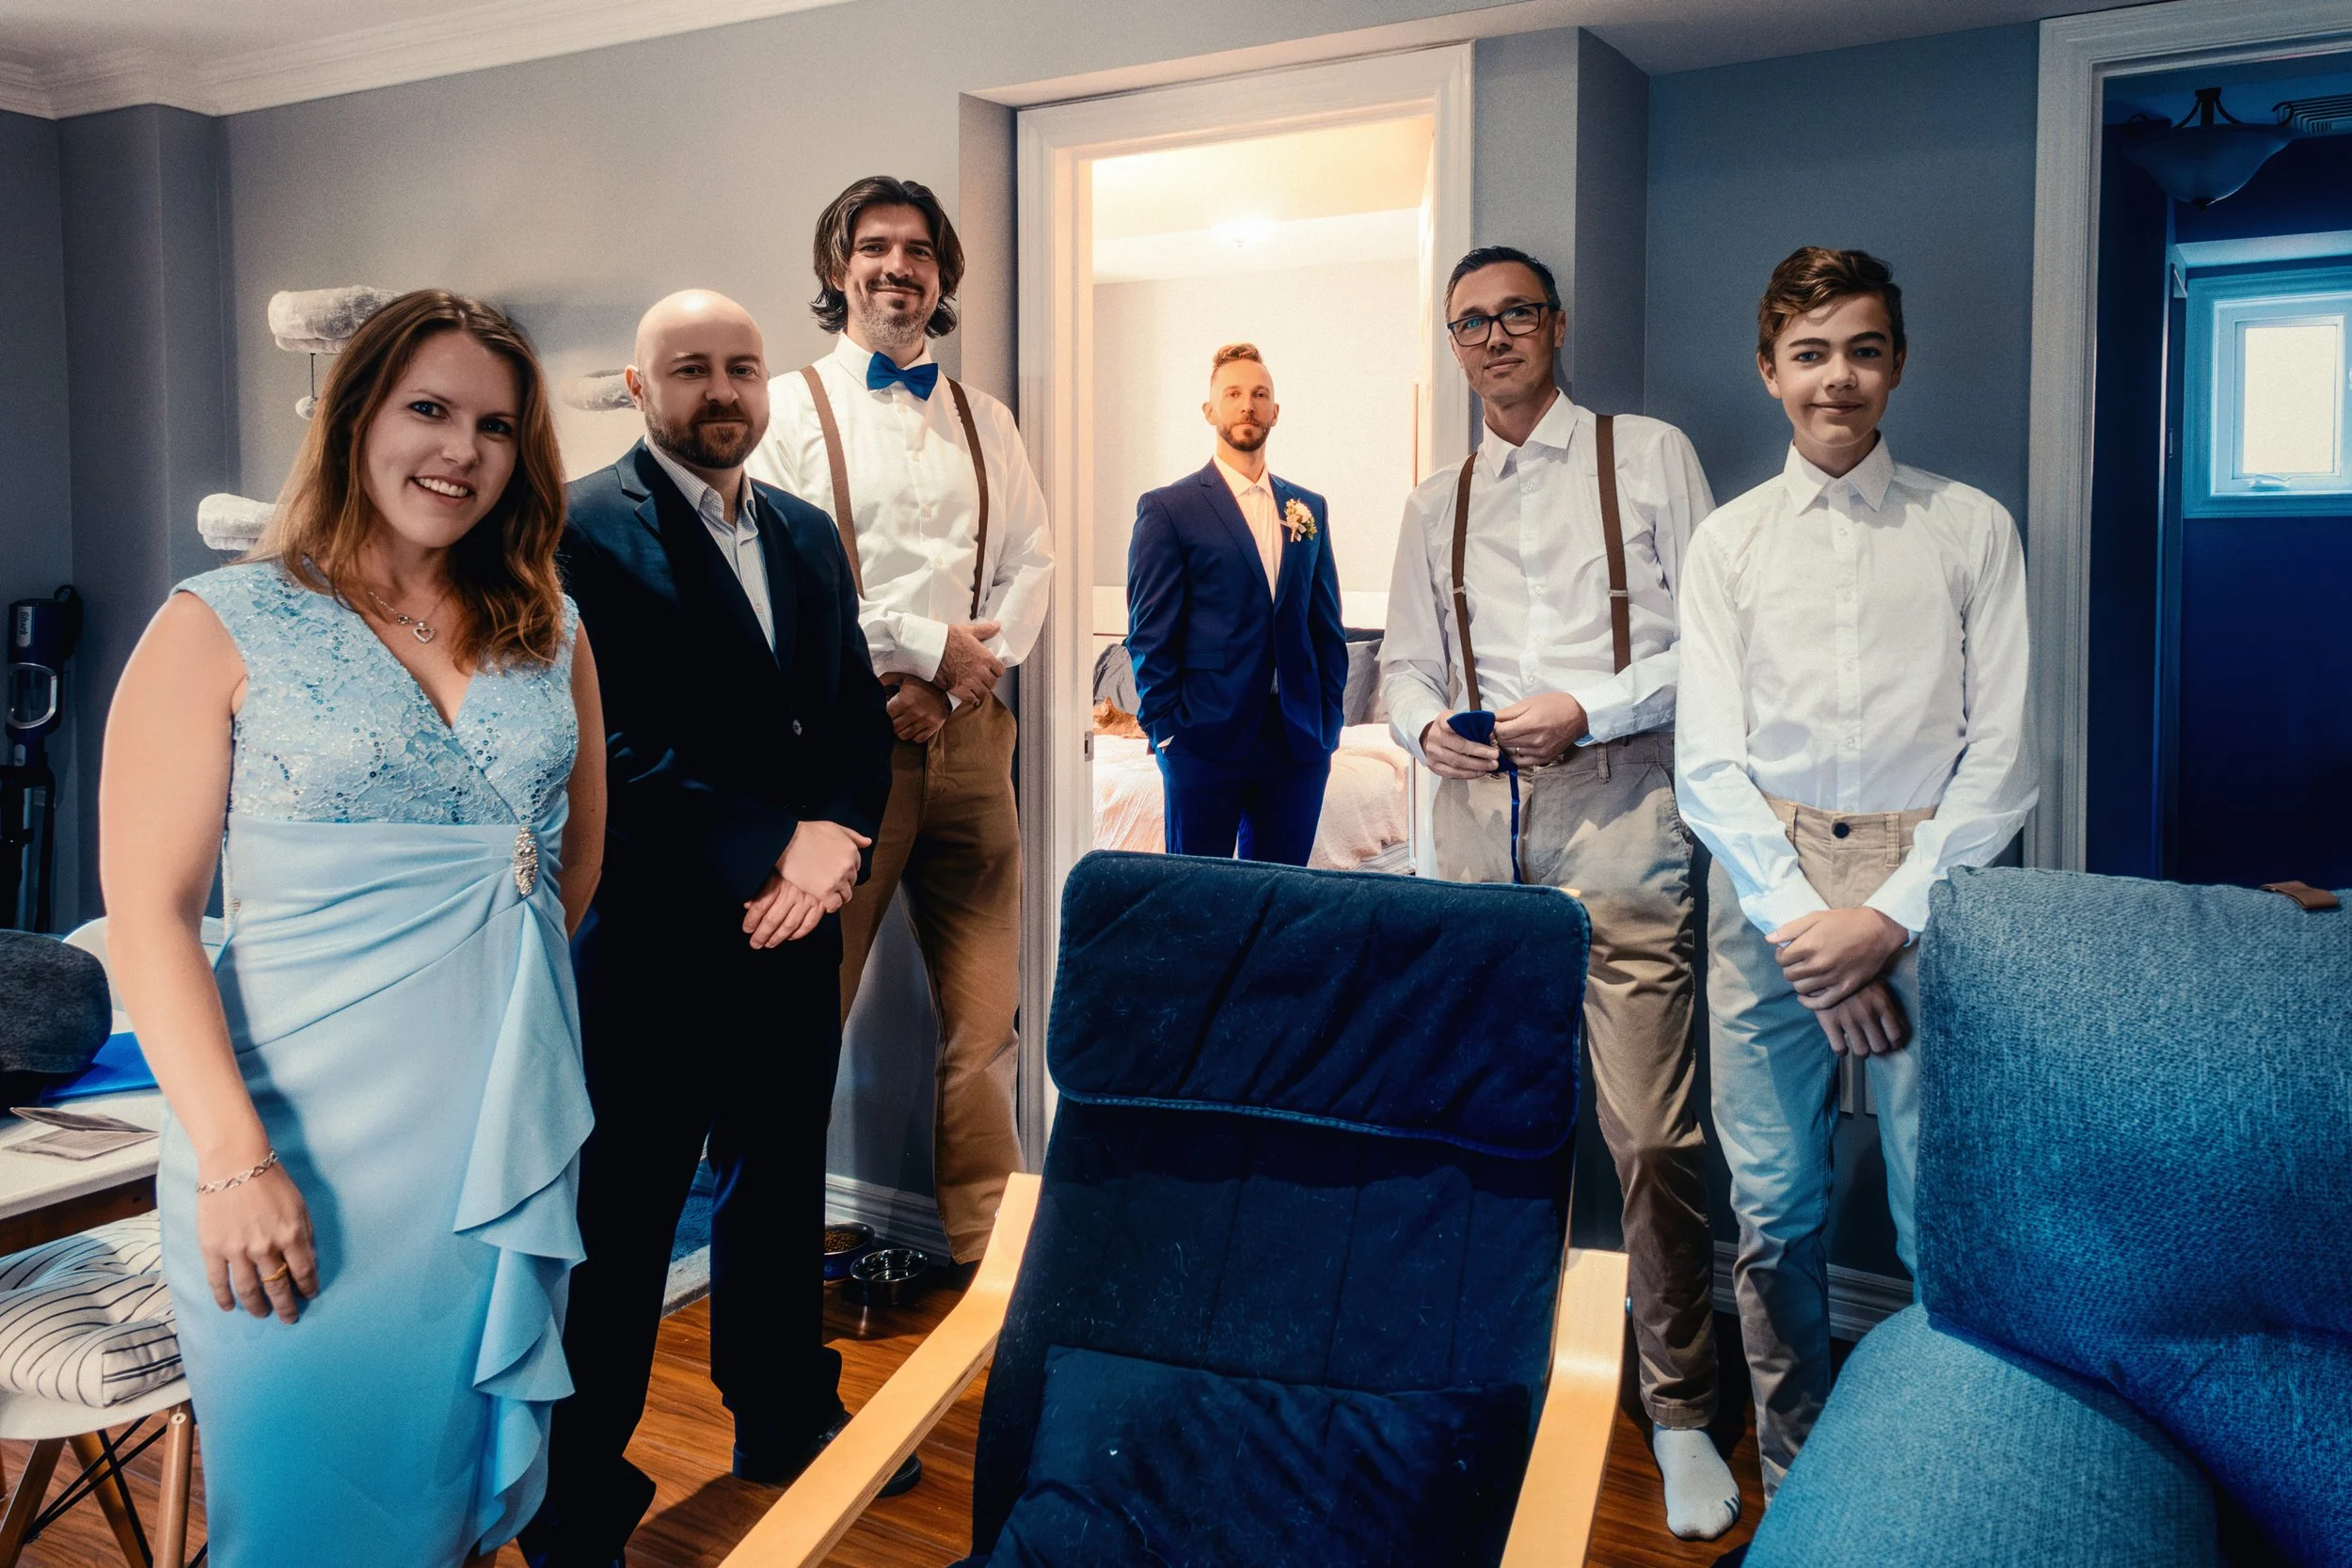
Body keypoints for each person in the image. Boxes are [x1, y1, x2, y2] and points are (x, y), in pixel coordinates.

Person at [101, 290, 600, 1567]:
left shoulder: (551, 623)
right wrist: (231, 1156)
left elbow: (571, 854)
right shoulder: (217, 619)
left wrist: (502, 1009)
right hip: (291, 1144)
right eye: (427, 408)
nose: (462, 449)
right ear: (352, 416)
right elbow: (151, 914)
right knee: (302, 1515)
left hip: (488, 1147)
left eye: (496, 424)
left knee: (446, 1506)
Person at [523, 290, 897, 1567]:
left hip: (798, 924)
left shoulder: (799, 526)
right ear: (640, 387)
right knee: (624, 1216)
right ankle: (574, 1495)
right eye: (691, 368)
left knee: (782, 1177)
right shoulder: (573, 528)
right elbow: (599, 741)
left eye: (742, 366)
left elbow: (849, 710)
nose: (722, 389)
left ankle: (782, 1413)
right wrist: (765, 846)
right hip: (653, 933)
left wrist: (838, 837)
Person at [1381, 246, 1739, 1540]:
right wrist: (1432, 732)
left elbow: (1710, 642)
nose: (1492, 337)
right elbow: (1405, 669)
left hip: (1622, 824)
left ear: (1555, 324)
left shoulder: (1648, 455)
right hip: (1478, 842)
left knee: (1650, 1134)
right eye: (1469, 321)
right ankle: (1497, 1363)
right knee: (1482, 1128)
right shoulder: (1437, 498)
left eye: (1514, 313)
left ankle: (1683, 1400)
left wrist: (1588, 704)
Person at [1675, 245, 2035, 1497]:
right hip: (1762, 872)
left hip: (1928, 865)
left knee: (1945, 1206)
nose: (1840, 377)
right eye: (1813, 351)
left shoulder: (1970, 527)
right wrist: (1816, 941)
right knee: (1773, 1203)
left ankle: (1948, 1469)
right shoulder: (1727, 544)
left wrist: (1883, 917)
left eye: (1864, 348)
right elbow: (1707, 764)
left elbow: (2007, 760)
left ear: (1897, 365)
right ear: (1770, 370)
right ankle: (1799, 1466)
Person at [748, 176, 1052, 1269]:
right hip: (838, 747)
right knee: (799, 1015)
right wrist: (921, 654)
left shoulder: (988, 420)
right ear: (839, 271)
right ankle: (774, 1247)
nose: (897, 267)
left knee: (987, 1024)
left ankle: (986, 1254)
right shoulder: (784, 411)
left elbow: (1029, 568)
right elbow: (792, 580)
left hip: (971, 745)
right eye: (873, 247)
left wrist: (960, 682)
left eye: (918, 250)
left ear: (941, 275)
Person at [1125, 343, 1347, 864]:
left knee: (1282, 901)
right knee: (1199, 903)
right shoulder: (1168, 508)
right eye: (1233, 394)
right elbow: (1149, 632)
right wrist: (1166, 731)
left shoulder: (1307, 507)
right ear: (1210, 411)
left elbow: (1326, 625)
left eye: (1259, 394)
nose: (1247, 404)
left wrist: (1329, 722)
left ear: (1275, 411)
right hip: (1201, 741)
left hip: (1297, 744)